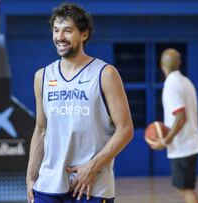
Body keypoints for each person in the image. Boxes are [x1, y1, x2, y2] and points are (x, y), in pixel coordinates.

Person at [26, 3, 134, 203]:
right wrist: (31, 176)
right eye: (56, 30)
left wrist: (92, 166)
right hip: (48, 184)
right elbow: (41, 130)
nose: (60, 37)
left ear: (84, 34)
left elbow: (125, 130)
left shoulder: (105, 74)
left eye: (68, 30)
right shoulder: (42, 76)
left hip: (92, 186)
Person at [151, 48, 198, 203]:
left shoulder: (171, 85)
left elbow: (181, 118)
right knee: (186, 189)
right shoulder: (186, 82)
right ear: (179, 63)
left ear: (161, 65)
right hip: (190, 142)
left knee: (186, 190)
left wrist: (165, 140)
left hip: (184, 146)